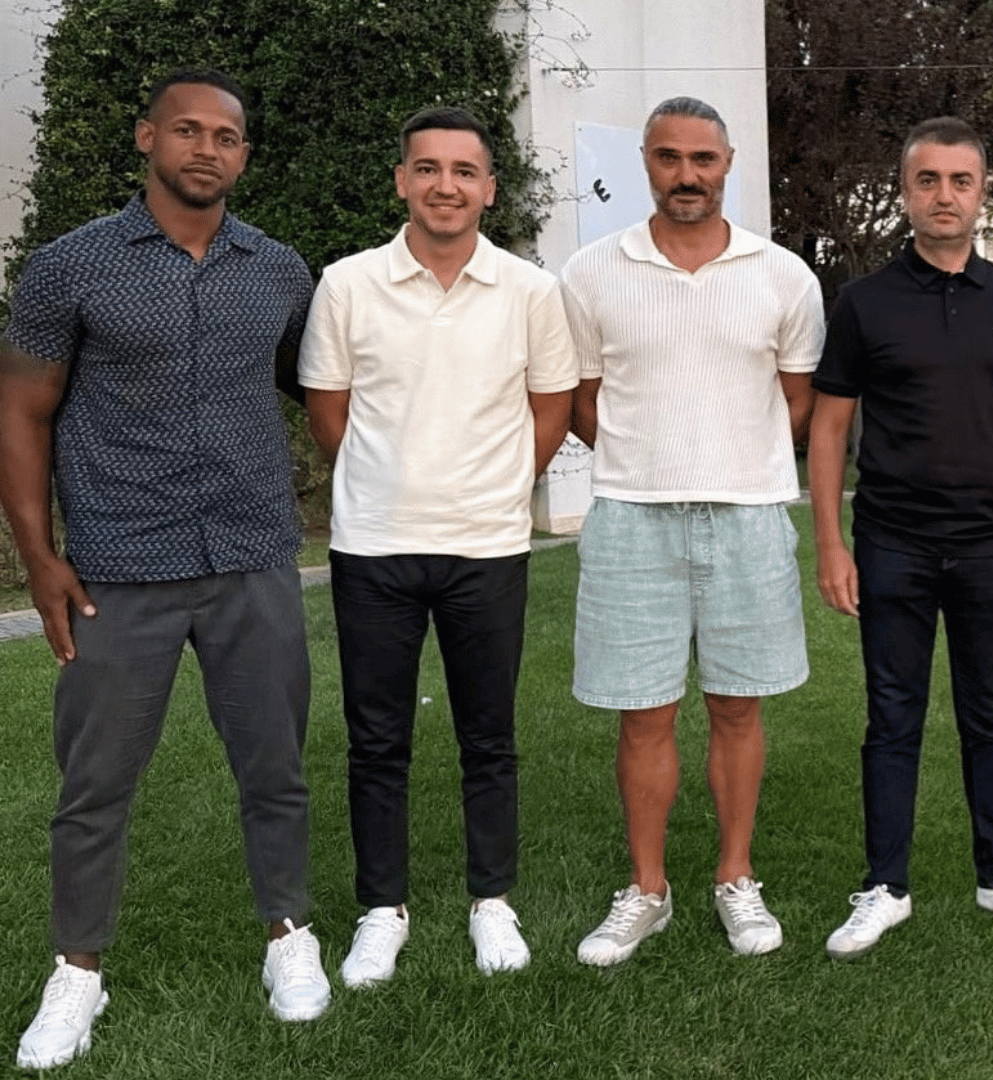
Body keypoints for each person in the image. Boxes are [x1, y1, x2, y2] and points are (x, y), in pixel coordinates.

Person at [0, 68, 328, 1069]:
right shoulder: (70, 267)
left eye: (225, 137)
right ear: (149, 138)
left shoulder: (279, 271)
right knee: (95, 785)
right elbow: (20, 410)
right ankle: (77, 972)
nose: (205, 149)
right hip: (118, 565)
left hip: (252, 559)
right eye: (187, 130)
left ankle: (289, 935)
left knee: (274, 767)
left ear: (243, 156)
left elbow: (316, 387)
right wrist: (40, 559)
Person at [298, 106, 578, 986]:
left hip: (487, 546)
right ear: (402, 182)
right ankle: (381, 910)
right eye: (427, 168)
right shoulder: (347, 284)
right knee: (376, 740)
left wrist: (498, 489)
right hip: (374, 546)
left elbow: (551, 408)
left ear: (489, 189)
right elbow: (330, 412)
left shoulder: (531, 291)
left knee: (488, 737)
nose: (445, 186)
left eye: (463, 171)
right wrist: (387, 481)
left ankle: (491, 901)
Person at [560, 96, 822, 963]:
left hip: (748, 515)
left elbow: (796, 402)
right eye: (668, 157)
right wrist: (649, 460)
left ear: (728, 164)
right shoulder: (592, 273)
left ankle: (735, 876)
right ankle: (647, 889)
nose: (686, 175)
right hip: (632, 517)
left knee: (738, 709)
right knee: (644, 716)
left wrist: (727, 460)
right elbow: (583, 401)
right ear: (646, 162)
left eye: (703, 159)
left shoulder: (783, 275)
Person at [809, 117, 993, 960]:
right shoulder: (864, 302)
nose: (945, 195)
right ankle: (885, 886)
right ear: (905, 193)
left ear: (982, 191)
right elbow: (828, 427)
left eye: (961, 180)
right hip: (892, 543)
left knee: (988, 714)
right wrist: (829, 543)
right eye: (928, 180)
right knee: (892, 717)